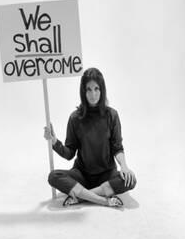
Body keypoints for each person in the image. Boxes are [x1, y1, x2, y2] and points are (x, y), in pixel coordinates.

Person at [44, 67, 136, 207]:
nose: (93, 94)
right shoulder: (75, 118)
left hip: (107, 175)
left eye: (96, 89)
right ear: (83, 91)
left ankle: (81, 196)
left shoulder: (112, 115)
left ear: (102, 90)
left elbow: (117, 147)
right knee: (53, 176)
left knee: (130, 179)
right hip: (82, 175)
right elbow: (69, 153)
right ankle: (103, 200)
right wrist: (54, 142)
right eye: (89, 89)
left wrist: (124, 166)